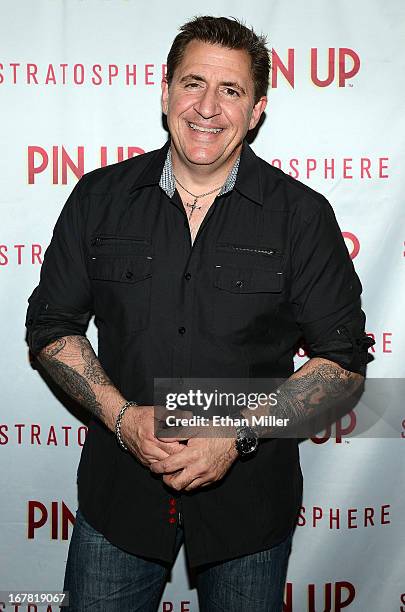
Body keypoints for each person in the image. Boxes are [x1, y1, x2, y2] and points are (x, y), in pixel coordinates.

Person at [25, 15, 374, 612]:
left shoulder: (300, 216)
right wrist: (123, 419)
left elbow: (341, 362)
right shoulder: (99, 197)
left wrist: (233, 439)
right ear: (164, 92)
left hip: (249, 506)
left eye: (231, 90)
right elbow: (53, 327)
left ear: (257, 108)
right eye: (193, 84)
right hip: (120, 500)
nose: (208, 107)